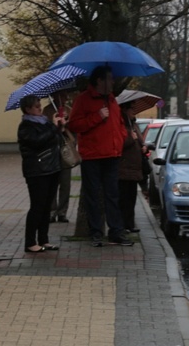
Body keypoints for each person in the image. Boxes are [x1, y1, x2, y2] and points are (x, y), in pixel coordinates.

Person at [68, 66, 132, 247]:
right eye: (110, 79)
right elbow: (74, 125)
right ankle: (96, 232)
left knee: (112, 195)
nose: (112, 82)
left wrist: (120, 138)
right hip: (92, 156)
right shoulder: (83, 100)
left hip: (112, 154)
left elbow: (118, 123)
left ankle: (116, 232)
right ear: (99, 80)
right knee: (93, 196)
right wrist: (96, 117)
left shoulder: (112, 100)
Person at [17, 95, 64, 253]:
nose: (39, 108)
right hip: (37, 171)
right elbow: (37, 141)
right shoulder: (26, 126)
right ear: (28, 109)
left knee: (46, 207)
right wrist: (54, 128)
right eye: (36, 106)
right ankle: (30, 242)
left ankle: (44, 239)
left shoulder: (44, 122)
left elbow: (54, 140)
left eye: (39, 105)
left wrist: (57, 127)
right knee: (37, 206)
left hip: (52, 168)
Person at [42, 90, 73, 223]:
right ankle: (51, 210)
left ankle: (62, 212)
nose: (65, 98)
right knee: (53, 182)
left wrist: (66, 124)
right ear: (55, 96)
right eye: (62, 95)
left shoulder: (69, 110)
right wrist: (54, 123)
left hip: (66, 149)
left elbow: (74, 130)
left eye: (65, 95)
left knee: (65, 183)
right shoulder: (47, 111)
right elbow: (44, 129)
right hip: (52, 149)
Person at [118, 101, 146, 233]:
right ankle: (123, 225)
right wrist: (131, 138)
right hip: (124, 168)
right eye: (131, 108)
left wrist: (143, 146)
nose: (134, 111)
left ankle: (130, 224)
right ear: (125, 110)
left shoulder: (133, 124)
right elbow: (120, 144)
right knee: (124, 199)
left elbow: (138, 141)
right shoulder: (122, 125)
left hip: (134, 169)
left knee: (131, 198)